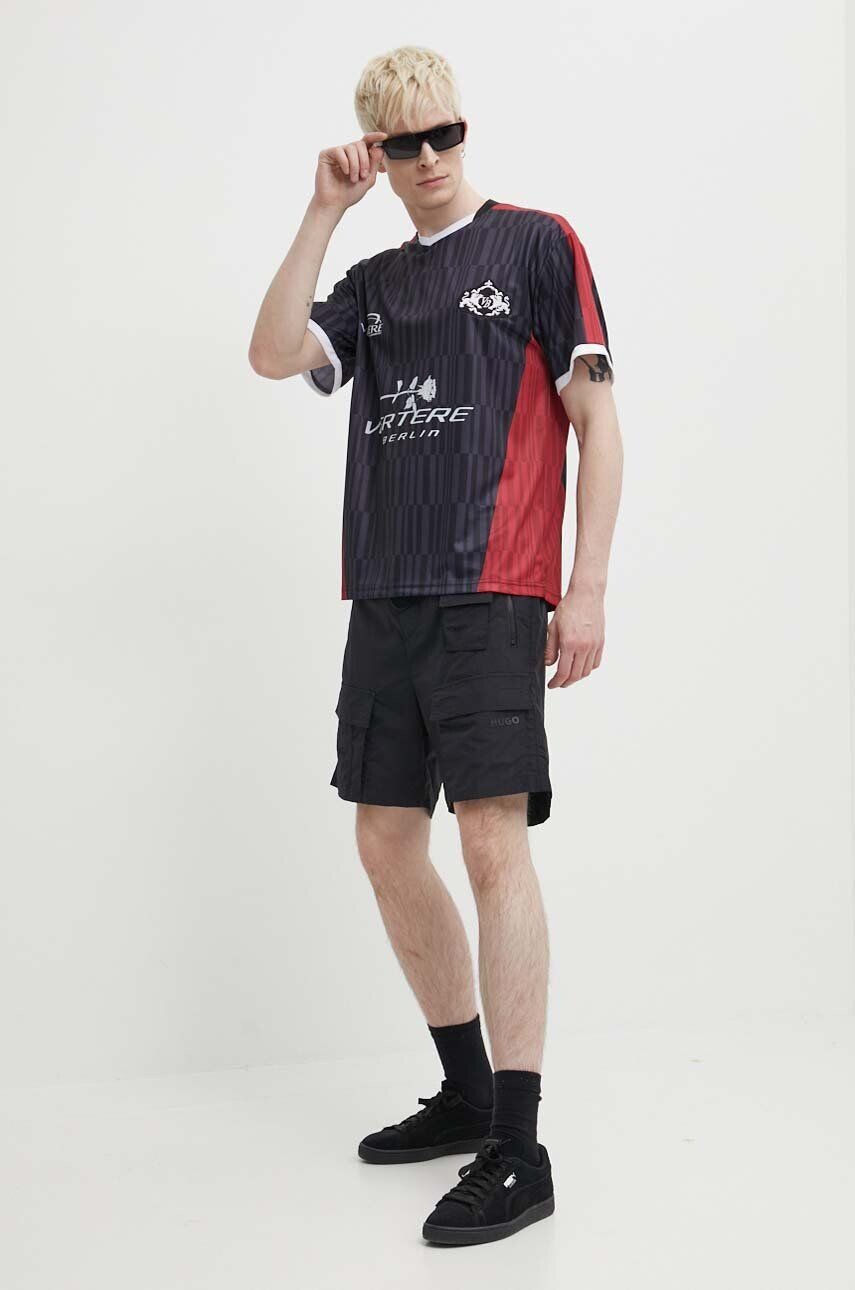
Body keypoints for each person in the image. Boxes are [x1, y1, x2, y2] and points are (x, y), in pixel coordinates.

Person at [248, 44, 623, 1246]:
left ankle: (520, 1146)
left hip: (494, 589)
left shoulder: (537, 245)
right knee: (383, 841)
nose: (426, 160)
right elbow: (272, 350)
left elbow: (598, 422)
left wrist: (586, 586)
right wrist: (322, 210)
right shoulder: (371, 281)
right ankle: (465, 1092)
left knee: (491, 840)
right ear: (377, 152)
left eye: (442, 134)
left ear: (466, 127)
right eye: (401, 145)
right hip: (387, 595)